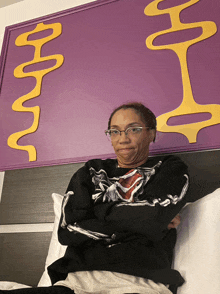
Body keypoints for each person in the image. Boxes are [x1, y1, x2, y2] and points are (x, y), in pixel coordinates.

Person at [1, 102, 189, 294]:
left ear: (151, 133)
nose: (123, 138)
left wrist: (97, 210)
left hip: (140, 283)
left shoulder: (168, 168)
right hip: (75, 283)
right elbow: (68, 230)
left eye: (133, 129)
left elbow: (155, 216)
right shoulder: (91, 171)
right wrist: (139, 220)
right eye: (115, 131)